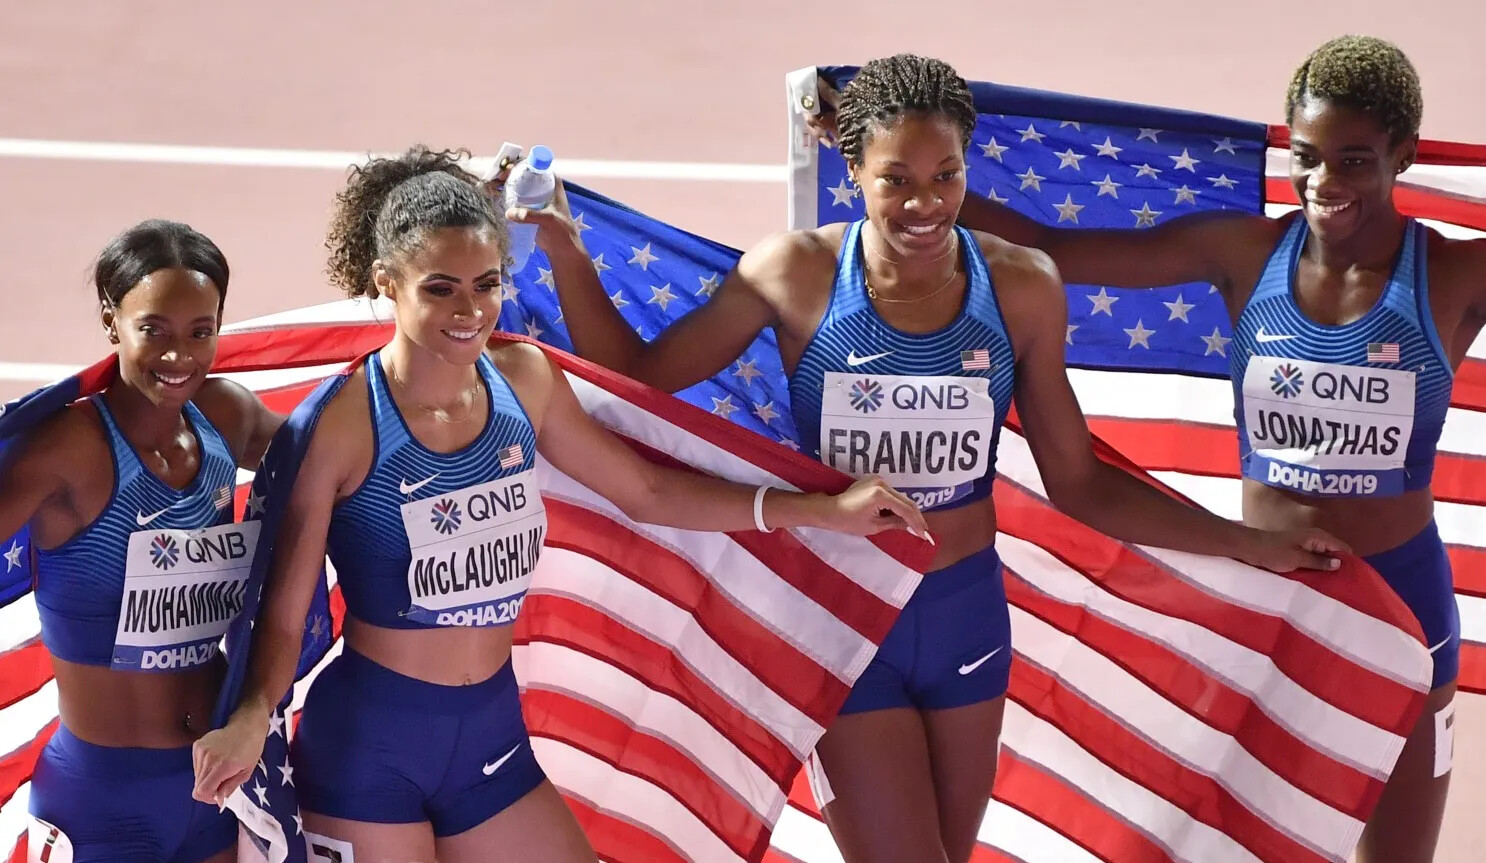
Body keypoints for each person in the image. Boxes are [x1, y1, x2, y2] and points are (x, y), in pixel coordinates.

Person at [518, 53, 1351, 863]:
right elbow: (639, 375)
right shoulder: (797, 274)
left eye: (945, 175)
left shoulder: (1020, 285)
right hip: (846, 614)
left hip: (966, 615)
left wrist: (1249, 542)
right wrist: (563, 248)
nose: (925, 203)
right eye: (896, 180)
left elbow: (1079, 482)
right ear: (853, 172)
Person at [187, 145, 930, 863]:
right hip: (370, 751)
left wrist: (816, 510)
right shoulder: (343, 424)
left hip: (491, 739)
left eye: (486, 283)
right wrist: (251, 716)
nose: (469, 309)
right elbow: (284, 611)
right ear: (387, 281)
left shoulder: (525, 380)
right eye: (440, 288)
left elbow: (646, 491)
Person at [919, 34, 1471, 863]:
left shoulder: (1457, 275)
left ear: (1405, 155)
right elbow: (1051, 251)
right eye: (1307, 157)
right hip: (1271, 596)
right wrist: (910, 176)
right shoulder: (1244, 252)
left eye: (1354, 161)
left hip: (1405, 608)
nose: (1324, 183)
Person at [1, 219, 283, 862]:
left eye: (200, 331)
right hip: (103, 799)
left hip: (214, 786)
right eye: (154, 329)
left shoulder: (225, 416)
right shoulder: (69, 449)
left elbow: (343, 454)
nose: (179, 355)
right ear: (112, 321)